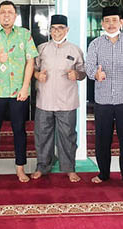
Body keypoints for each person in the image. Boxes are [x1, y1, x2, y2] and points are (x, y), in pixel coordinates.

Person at [0, 0, 39, 183]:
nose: (6, 15)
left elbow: (30, 61)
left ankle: (20, 169)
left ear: (15, 16)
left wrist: (25, 87)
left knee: (19, 131)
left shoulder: (24, 34)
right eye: (3, 12)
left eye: (10, 12)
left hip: (18, 93)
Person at [85, 6, 123, 186]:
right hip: (103, 99)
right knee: (102, 139)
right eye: (107, 21)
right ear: (102, 23)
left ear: (121, 22)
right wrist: (95, 74)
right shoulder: (95, 44)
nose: (111, 24)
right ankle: (103, 173)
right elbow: (89, 67)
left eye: (114, 20)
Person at [32, 14, 86, 183]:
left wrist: (76, 74)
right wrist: (37, 75)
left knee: (68, 136)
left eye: (60, 28)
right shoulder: (41, 48)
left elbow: (83, 73)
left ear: (67, 30)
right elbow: (33, 69)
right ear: (50, 30)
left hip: (67, 101)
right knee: (42, 135)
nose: (57, 32)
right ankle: (42, 166)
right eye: (53, 28)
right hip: (44, 100)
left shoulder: (75, 50)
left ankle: (69, 168)